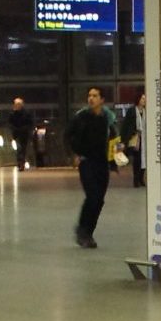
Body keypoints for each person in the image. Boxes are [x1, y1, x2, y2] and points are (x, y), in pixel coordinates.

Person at [66, 87, 113, 249]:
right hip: (86, 162)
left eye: (95, 96)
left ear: (102, 100)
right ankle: (82, 229)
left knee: (99, 200)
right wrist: (74, 153)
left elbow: (113, 136)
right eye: (89, 96)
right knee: (92, 196)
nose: (91, 99)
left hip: (102, 163)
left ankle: (89, 232)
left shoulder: (106, 118)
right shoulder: (81, 117)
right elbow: (68, 135)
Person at [6, 97, 36, 169]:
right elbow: (9, 123)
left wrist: (26, 129)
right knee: (19, 148)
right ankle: (20, 162)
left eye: (18, 104)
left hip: (24, 133)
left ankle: (21, 162)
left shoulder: (26, 113)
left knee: (23, 149)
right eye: (16, 104)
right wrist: (14, 129)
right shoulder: (12, 113)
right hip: (16, 133)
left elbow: (30, 123)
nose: (17, 105)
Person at [127, 91, 148, 187]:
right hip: (135, 137)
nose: (144, 100)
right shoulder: (132, 110)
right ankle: (136, 180)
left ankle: (141, 178)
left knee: (144, 159)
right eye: (142, 98)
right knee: (137, 159)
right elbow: (127, 124)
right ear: (138, 99)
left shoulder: (145, 111)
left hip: (144, 137)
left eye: (145, 99)